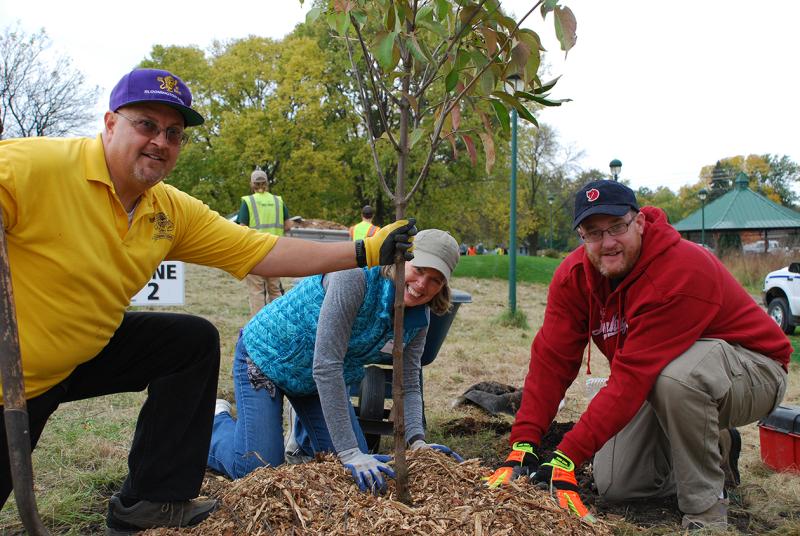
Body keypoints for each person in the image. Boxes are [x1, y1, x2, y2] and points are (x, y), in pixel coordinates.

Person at [0, 67, 416, 534]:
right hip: (13, 375)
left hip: (81, 351)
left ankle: (151, 501)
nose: (161, 140)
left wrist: (363, 251)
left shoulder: (167, 209)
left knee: (189, 342)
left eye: (173, 133)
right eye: (146, 125)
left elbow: (262, 249)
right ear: (110, 123)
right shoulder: (32, 167)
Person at [485, 180, 789, 531]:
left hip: (753, 370)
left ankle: (706, 511)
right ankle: (716, 448)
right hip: (662, 373)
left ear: (640, 222)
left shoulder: (680, 269)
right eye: (593, 233)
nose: (607, 242)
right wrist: (524, 443)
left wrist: (566, 457)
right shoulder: (573, 278)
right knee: (618, 483)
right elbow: (551, 363)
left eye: (617, 227)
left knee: (679, 378)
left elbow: (630, 377)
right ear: (581, 236)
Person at [207, 229, 463, 493]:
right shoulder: (354, 276)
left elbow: (408, 383)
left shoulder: (419, 319)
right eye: (419, 270)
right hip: (266, 358)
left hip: (314, 380)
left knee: (353, 473)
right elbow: (327, 364)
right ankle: (215, 424)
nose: (422, 285)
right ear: (401, 260)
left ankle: (306, 441)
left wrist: (417, 441)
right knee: (258, 468)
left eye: (435, 280)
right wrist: (350, 451)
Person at [238, 168, 292, 316]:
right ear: (266, 183)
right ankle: (278, 321)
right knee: (275, 289)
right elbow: (288, 225)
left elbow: (241, 228)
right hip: (275, 250)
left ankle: (259, 327)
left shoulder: (248, 201)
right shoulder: (278, 201)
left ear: (252, 184)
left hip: (254, 252)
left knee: (257, 291)